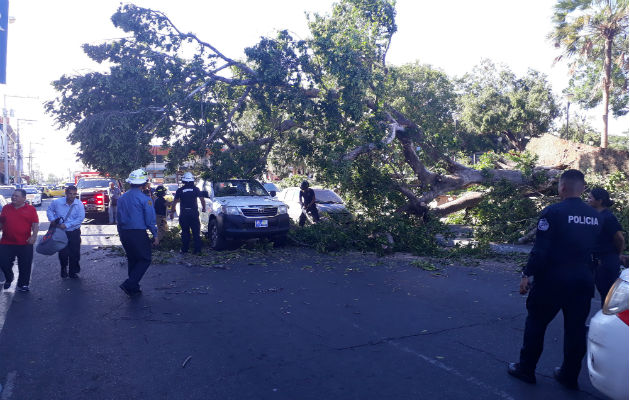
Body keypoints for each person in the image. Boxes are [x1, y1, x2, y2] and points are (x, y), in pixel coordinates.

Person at [508, 169, 601, 390]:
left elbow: (540, 251)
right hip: (582, 280)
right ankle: (569, 375)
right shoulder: (596, 217)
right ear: (582, 189)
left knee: (536, 324)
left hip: (553, 280)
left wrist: (526, 274)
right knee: (576, 329)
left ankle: (526, 369)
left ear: (562, 187)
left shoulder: (553, 212)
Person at [117, 169, 159, 297]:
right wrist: (155, 235)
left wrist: (120, 234)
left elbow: (118, 218)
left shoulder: (122, 198)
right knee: (145, 259)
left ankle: (134, 287)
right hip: (138, 233)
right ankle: (130, 283)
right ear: (144, 183)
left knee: (133, 259)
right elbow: (150, 220)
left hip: (125, 232)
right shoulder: (145, 199)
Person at [587, 187, 626, 306]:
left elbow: (619, 238)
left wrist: (617, 254)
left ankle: (609, 321)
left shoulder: (608, 217)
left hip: (607, 260)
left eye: (590, 198)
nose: (587, 200)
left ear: (600, 201)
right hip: (596, 260)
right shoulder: (594, 216)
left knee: (608, 295)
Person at [0, 189, 40, 292]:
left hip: (25, 242)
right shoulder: (6, 208)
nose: (14, 197)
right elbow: (2, 223)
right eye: (13, 195)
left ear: (23, 198)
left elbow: (35, 224)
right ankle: (9, 277)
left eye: (17, 196)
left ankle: (23, 284)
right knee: (3, 262)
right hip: (6, 242)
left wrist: (34, 236)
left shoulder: (31, 209)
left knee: (25, 265)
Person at [46, 185, 86, 279]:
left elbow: (80, 218)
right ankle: (63, 268)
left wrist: (67, 225)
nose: (72, 196)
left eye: (74, 194)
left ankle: (73, 272)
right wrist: (53, 220)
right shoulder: (57, 202)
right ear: (66, 193)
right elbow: (50, 210)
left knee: (75, 252)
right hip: (60, 232)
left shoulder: (79, 204)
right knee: (63, 253)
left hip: (74, 232)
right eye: (70, 194)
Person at [169, 172, 206, 254]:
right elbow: (202, 199)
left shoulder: (180, 190)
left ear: (184, 181)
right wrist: (204, 208)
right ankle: (197, 250)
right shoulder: (196, 189)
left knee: (185, 232)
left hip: (184, 214)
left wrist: (172, 212)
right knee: (196, 232)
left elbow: (174, 202)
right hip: (193, 213)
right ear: (192, 180)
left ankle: (185, 249)